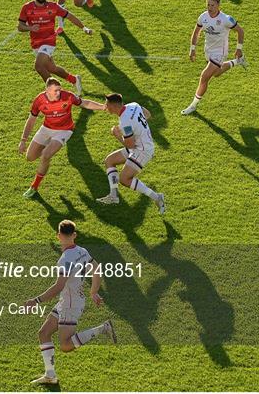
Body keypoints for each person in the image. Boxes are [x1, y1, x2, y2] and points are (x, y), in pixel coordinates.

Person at [25, 219, 117, 385]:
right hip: (68, 301)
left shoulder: (65, 259)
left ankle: (103, 328)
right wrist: (94, 291)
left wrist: (36, 301)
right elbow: (96, 269)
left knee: (66, 345)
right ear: (74, 235)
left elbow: (59, 286)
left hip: (70, 304)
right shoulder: (82, 251)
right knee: (44, 333)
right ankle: (50, 375)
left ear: (58, 235)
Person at [19, 77, 105, 198]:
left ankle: (34, 187)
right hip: (46, 128)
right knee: (30, 157)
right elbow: (31, 120)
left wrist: (102, 106)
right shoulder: (39, 100)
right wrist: (23, 140)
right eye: (55, 91)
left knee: (46, 155)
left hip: (64, 130)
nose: (58, 93)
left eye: (59, 90)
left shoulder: (68, 96)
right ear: (47, 91)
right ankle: (46, 152)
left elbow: (84, 103)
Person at [96, 93, 165, 213]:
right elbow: (147, 114)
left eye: (107, 105)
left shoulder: (125, 122)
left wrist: (117, 135)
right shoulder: (134, 105)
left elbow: (130, 145)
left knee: (124, 179)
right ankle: (114, 196)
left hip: (142, 150)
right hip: (141, 144)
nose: (106, 107)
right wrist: (139, 127)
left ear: (113, 106)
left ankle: (157, 197)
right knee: (109, 161)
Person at [18, 0, 93, 92]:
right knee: (51, 68)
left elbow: (70, 16)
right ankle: (74, 80)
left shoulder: (53, 7)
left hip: (49, 41)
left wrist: (84, 28)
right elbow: (20, 26)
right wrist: (30, 28)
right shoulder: (27, 8)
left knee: (39, 67)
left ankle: (54, 91)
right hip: (36, 43)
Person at [181, 0, 247, 115]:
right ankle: (238, 61)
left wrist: (239, 48)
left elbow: (240, 31)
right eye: (208, 5)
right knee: (216, 73)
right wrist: (192, 49)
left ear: (218, 5)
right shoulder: (203, 17)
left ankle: (193, 105)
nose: (210, 7)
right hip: (208, 50)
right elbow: (196, 33)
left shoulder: (226, 19)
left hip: (220, 52)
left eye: (212, 5)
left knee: (204, 76)